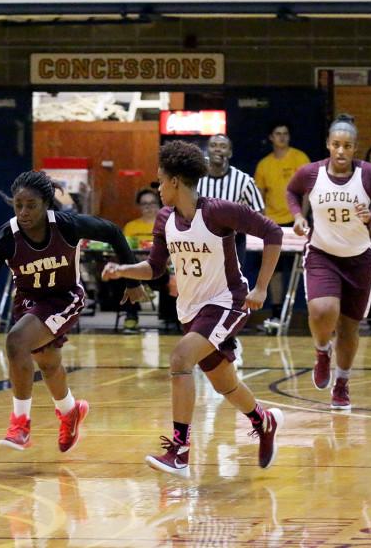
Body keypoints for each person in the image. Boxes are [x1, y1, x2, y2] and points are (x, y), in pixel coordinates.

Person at [0, 170, 145, 453]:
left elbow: (113, 231)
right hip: (28, 302)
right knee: (48, 362)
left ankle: (20, 424)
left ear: (46, 204)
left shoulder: (66, 225)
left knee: (17, 341)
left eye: (31, 205)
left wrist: (132, 279)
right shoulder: (5, 238)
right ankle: (69, 412)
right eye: (18, 206)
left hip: (64, 297)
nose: (24, 212)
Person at [102, 140, 285, 478]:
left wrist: (261, 287)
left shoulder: (217, 211)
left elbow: (272, 231)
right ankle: (264, 420)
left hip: (227, 302)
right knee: (224, 384)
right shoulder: (164, 219)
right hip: (192, 311)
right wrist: (123, 270)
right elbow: (155, 268)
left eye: (160, 181)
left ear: (174, 181)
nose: (157, 188)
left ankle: (180, 452)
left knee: (179, 359)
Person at [286, 114, 371, 410]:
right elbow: (291, 191)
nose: (341, 151)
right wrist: (297, 215)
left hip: (359, 258)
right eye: (336, 145)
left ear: (355, 148)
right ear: (328, 145)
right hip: (323, 253)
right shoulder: (311, 172)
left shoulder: (369, 174)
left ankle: (342, 383)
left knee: (349, 328)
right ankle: (322, 350)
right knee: (323, 310)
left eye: (347, 146)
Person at [254, 122, 311, 321]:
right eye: (278, 134)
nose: (282, 137)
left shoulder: (300, 158)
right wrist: (262, 222)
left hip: (295, 222)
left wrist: (301, 217)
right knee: (274, 270)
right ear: (271, 137)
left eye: (285, 133)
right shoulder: (264, 165)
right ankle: (277, 313)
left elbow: (306, 191)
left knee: (303, 266)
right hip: (272, 225)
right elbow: (258, 196)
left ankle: (311, 313)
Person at [198, 133, 265, 267]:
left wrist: (241, 224)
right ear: (207, 151)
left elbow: (260, 214)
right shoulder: (195, 178)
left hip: (232, 243)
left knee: (231, 286)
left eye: (223, 146)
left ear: (230, 153)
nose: (218, 149)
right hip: (200, 241)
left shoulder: (243, 181)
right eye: (213, 145)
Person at [120, 188, 169, 332]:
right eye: (144, 204)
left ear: (159, 204)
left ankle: (170, 317)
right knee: (128, 274)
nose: (149, 207)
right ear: (139, 206)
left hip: (160, 270)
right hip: (138, 268)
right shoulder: (130, 226)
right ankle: (131, 317)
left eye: (152, 203)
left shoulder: (167, 224)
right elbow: (125, 251)